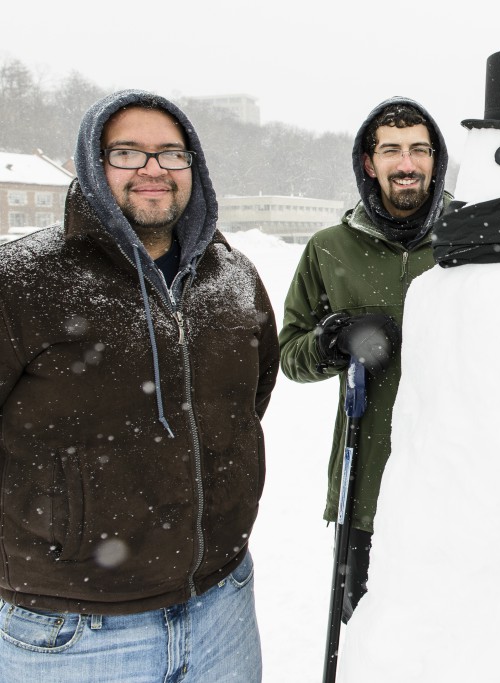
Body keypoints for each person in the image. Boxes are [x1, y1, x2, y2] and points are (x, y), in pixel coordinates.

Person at [0, 90, 279, 681]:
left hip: (221, 608)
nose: (153, 169)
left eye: (170, 154)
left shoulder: (233, 279)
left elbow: (250, 401)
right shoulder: (22, 282)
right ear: (93, 165)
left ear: (193, 168)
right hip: (70, 630)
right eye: (127, 152)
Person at [279, 97, 450, 621]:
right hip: (368, 486)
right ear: (367, 163)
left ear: (435, 162)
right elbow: (289, 354)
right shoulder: (330, 248)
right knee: (372, 642)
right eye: (392, 149)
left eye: (419, 149)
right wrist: (330, 342)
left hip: (461, 482)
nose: (407, 163)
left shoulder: (473, 240)